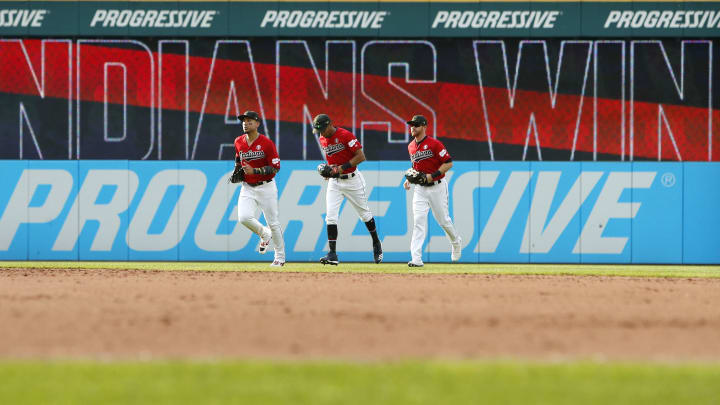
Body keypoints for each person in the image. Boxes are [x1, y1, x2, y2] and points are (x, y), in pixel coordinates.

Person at [313, 114, 382, 265]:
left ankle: (376, 242)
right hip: (335, 182)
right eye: (318, 130)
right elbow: (332, 161)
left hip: (352, 180)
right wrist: (330, 171)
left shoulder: (345, 135)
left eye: (323, 128)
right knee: (331, 216)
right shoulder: (322, 138)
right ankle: (332, 254)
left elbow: (361, 156)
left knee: (364, 214)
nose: (321, 132)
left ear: (330, 124)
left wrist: (340, 168)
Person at [404, 115, 461, 267]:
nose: (412, 128)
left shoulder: (434, 144)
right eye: (411, 125)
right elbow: (416, 168)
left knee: (443, 220)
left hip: (437, 186)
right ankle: (416, 259)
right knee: (418, 222)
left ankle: (456, 242)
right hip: (420, 190)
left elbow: (448, 163)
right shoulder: (410, 146)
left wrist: (432, 176)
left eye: (416, 125)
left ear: (424, 126)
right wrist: (409, 179)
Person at [231, 110, 286, 267]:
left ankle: (280, 258)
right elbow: (238, 157)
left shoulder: (267, 143)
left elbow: (276, 167)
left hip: (266, 186)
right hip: (247, 186)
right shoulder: (238, 141)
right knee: (243, 218)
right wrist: (237, 169)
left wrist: (255, 171)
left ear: (257, 124)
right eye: (244, 121)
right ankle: (264, 233)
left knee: (273, 222)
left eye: (249, 121)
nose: (245, 123)